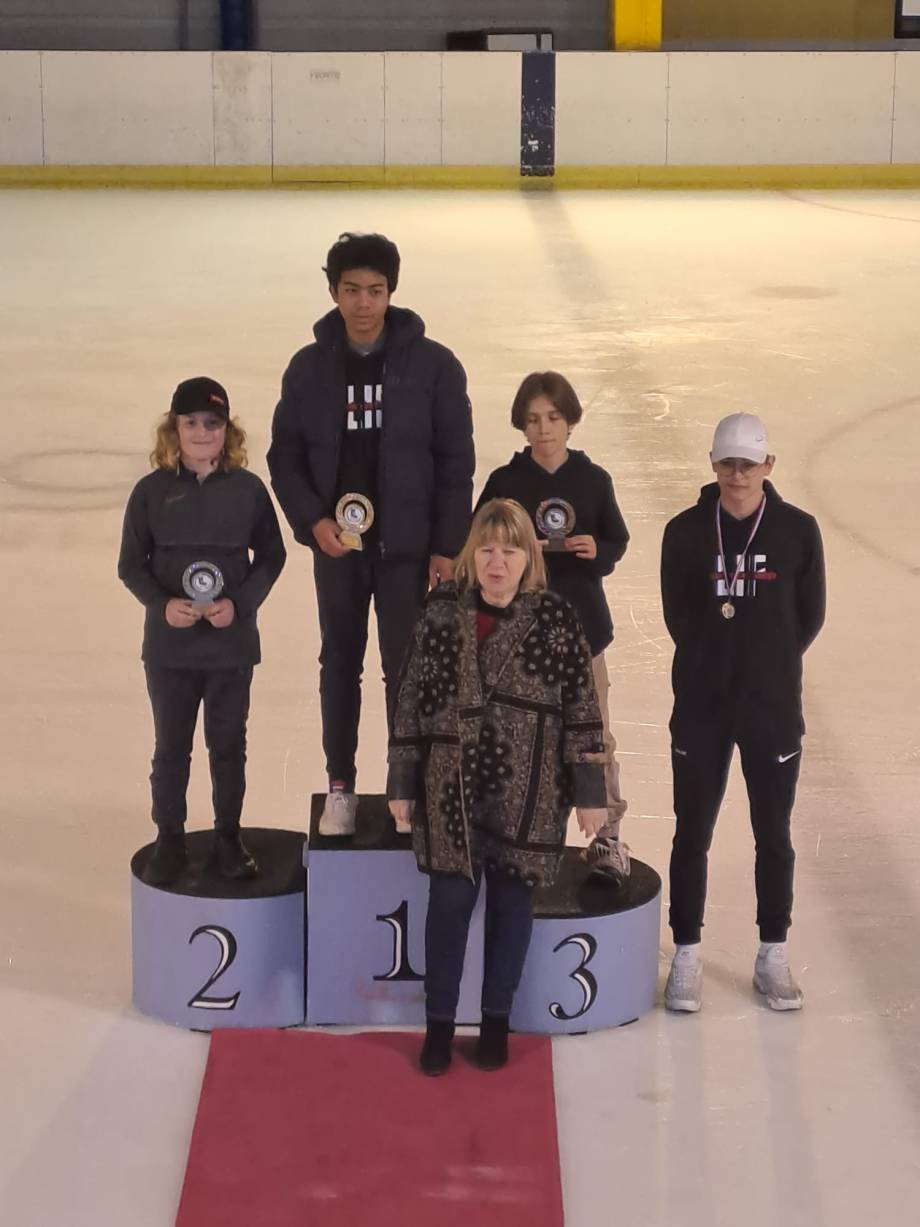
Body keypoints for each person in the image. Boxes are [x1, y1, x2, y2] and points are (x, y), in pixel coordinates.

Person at [387, 499, 608, 1075]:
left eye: (509, 550)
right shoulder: (440, 613)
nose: (496, 561)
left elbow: (583, 707)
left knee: (513, 906)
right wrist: (400, 780)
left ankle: (495, 1022)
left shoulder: (557, 619)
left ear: (527, 559)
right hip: (450, 789)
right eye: (486, 549)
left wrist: (590, 790)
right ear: (471, 555)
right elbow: (409, 700)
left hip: (530, 793)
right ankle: (438, 1026)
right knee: (450, 905)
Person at [268, 232, 474, 835]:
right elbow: (286, 457)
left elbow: (454, 460)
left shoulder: (435, 366)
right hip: (340, 549)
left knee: (404, 670)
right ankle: (340, 786)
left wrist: (446, 544)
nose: (363, 303)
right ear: (333, 292)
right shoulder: (308, 369)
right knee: (339, 663)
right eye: (352, 290)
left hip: (407, 552)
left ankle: (402, 787)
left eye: (375, 291)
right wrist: (313, 521)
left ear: (392, 293)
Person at [660, 412, 825, 1012]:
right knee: (691, 835)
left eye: (747, 464)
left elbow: (808, 617)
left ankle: (772, 953)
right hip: (701, 707)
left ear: (768, 467)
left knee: (773, 836)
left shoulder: (798, 531)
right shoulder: (683, 532)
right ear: (713, 464)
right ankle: (685, 953)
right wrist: (716, 664)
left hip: (771, 709)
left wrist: (766, 665)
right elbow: (677, 615)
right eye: (727, 463)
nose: (737, 475)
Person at [118, 377, 286, 886]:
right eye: (190, 423)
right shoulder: (150, 493)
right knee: (171, 747)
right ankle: (169, 838)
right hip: (170, 650)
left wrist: (240, 603)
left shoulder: (249, 490)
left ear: (226, 430)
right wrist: (162, 604)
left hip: (230, 647)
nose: (201, 432)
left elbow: (272, 556)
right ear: (174, 428)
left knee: (228, 745)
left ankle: (228, 838)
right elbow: (131, 565)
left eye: (212, 424)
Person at [476, 371, 630, 883]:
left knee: (593, 734)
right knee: (520, 735)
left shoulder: (592, 480)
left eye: (554, 418)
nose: (544, 429)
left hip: (583, 630)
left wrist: (596, 552)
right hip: (519, 636)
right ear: (522, 424)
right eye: (534, 419)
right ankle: (515, 828)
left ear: (570, 422)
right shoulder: (506, 482)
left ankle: (607, 834)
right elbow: (479, 540)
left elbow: (615, 540)